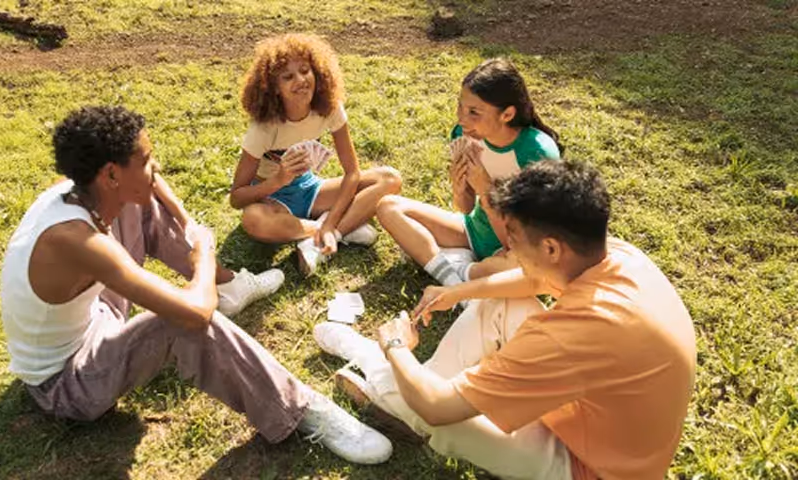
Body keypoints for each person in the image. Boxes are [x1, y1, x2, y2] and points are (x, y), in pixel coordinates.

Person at [0, 105, 393, 464]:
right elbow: (194, 313)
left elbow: (154, 187)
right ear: (112, 174)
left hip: (97, 317)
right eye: (147, 160)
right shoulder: (75, 240)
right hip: (69, 381)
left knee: (144, 205)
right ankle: (302, 409)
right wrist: (202, 254)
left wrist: (187, 225)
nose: (155, 167)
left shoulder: (82, 191)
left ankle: (230, 288)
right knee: (185, 323)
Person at [314, 161, 696, 479]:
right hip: (604, 424)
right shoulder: (615, 255)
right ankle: (403, 387)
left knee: (433, 413)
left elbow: (437, 407)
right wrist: (457, 292)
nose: (506, 247)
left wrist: (395, 346)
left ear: (550, 247)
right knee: (495, 302)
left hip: (589, 468)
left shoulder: (571, 335)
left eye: (513, 239)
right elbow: (535, 278)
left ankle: (374, 367)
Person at [377, 58, 561, 287]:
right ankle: (456, 277)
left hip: (516, 248)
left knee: (529, 269)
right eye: (460, 107)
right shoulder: (464, 136)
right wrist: (459, 187)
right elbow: (465, 208)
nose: (462, 119)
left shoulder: (537, 152)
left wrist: (486, 191)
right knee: (388, 207)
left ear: (507, 114)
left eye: (474, 112)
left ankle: (459, 268)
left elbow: (518, 242)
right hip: (473, 232)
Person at [230, 33, 402, 276]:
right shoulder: (264, 128)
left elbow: (352, 172)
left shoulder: (329, 108)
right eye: (288, 77)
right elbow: (236, 197)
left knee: (389, 179)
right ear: (274, 88)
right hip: (272, 200)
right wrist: (278, 180)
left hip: (311, 189)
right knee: (252, 219)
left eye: (304, 70)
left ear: (317, 72)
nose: (300, 80)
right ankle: (340, 229)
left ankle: (331, 232)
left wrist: (331, 225)